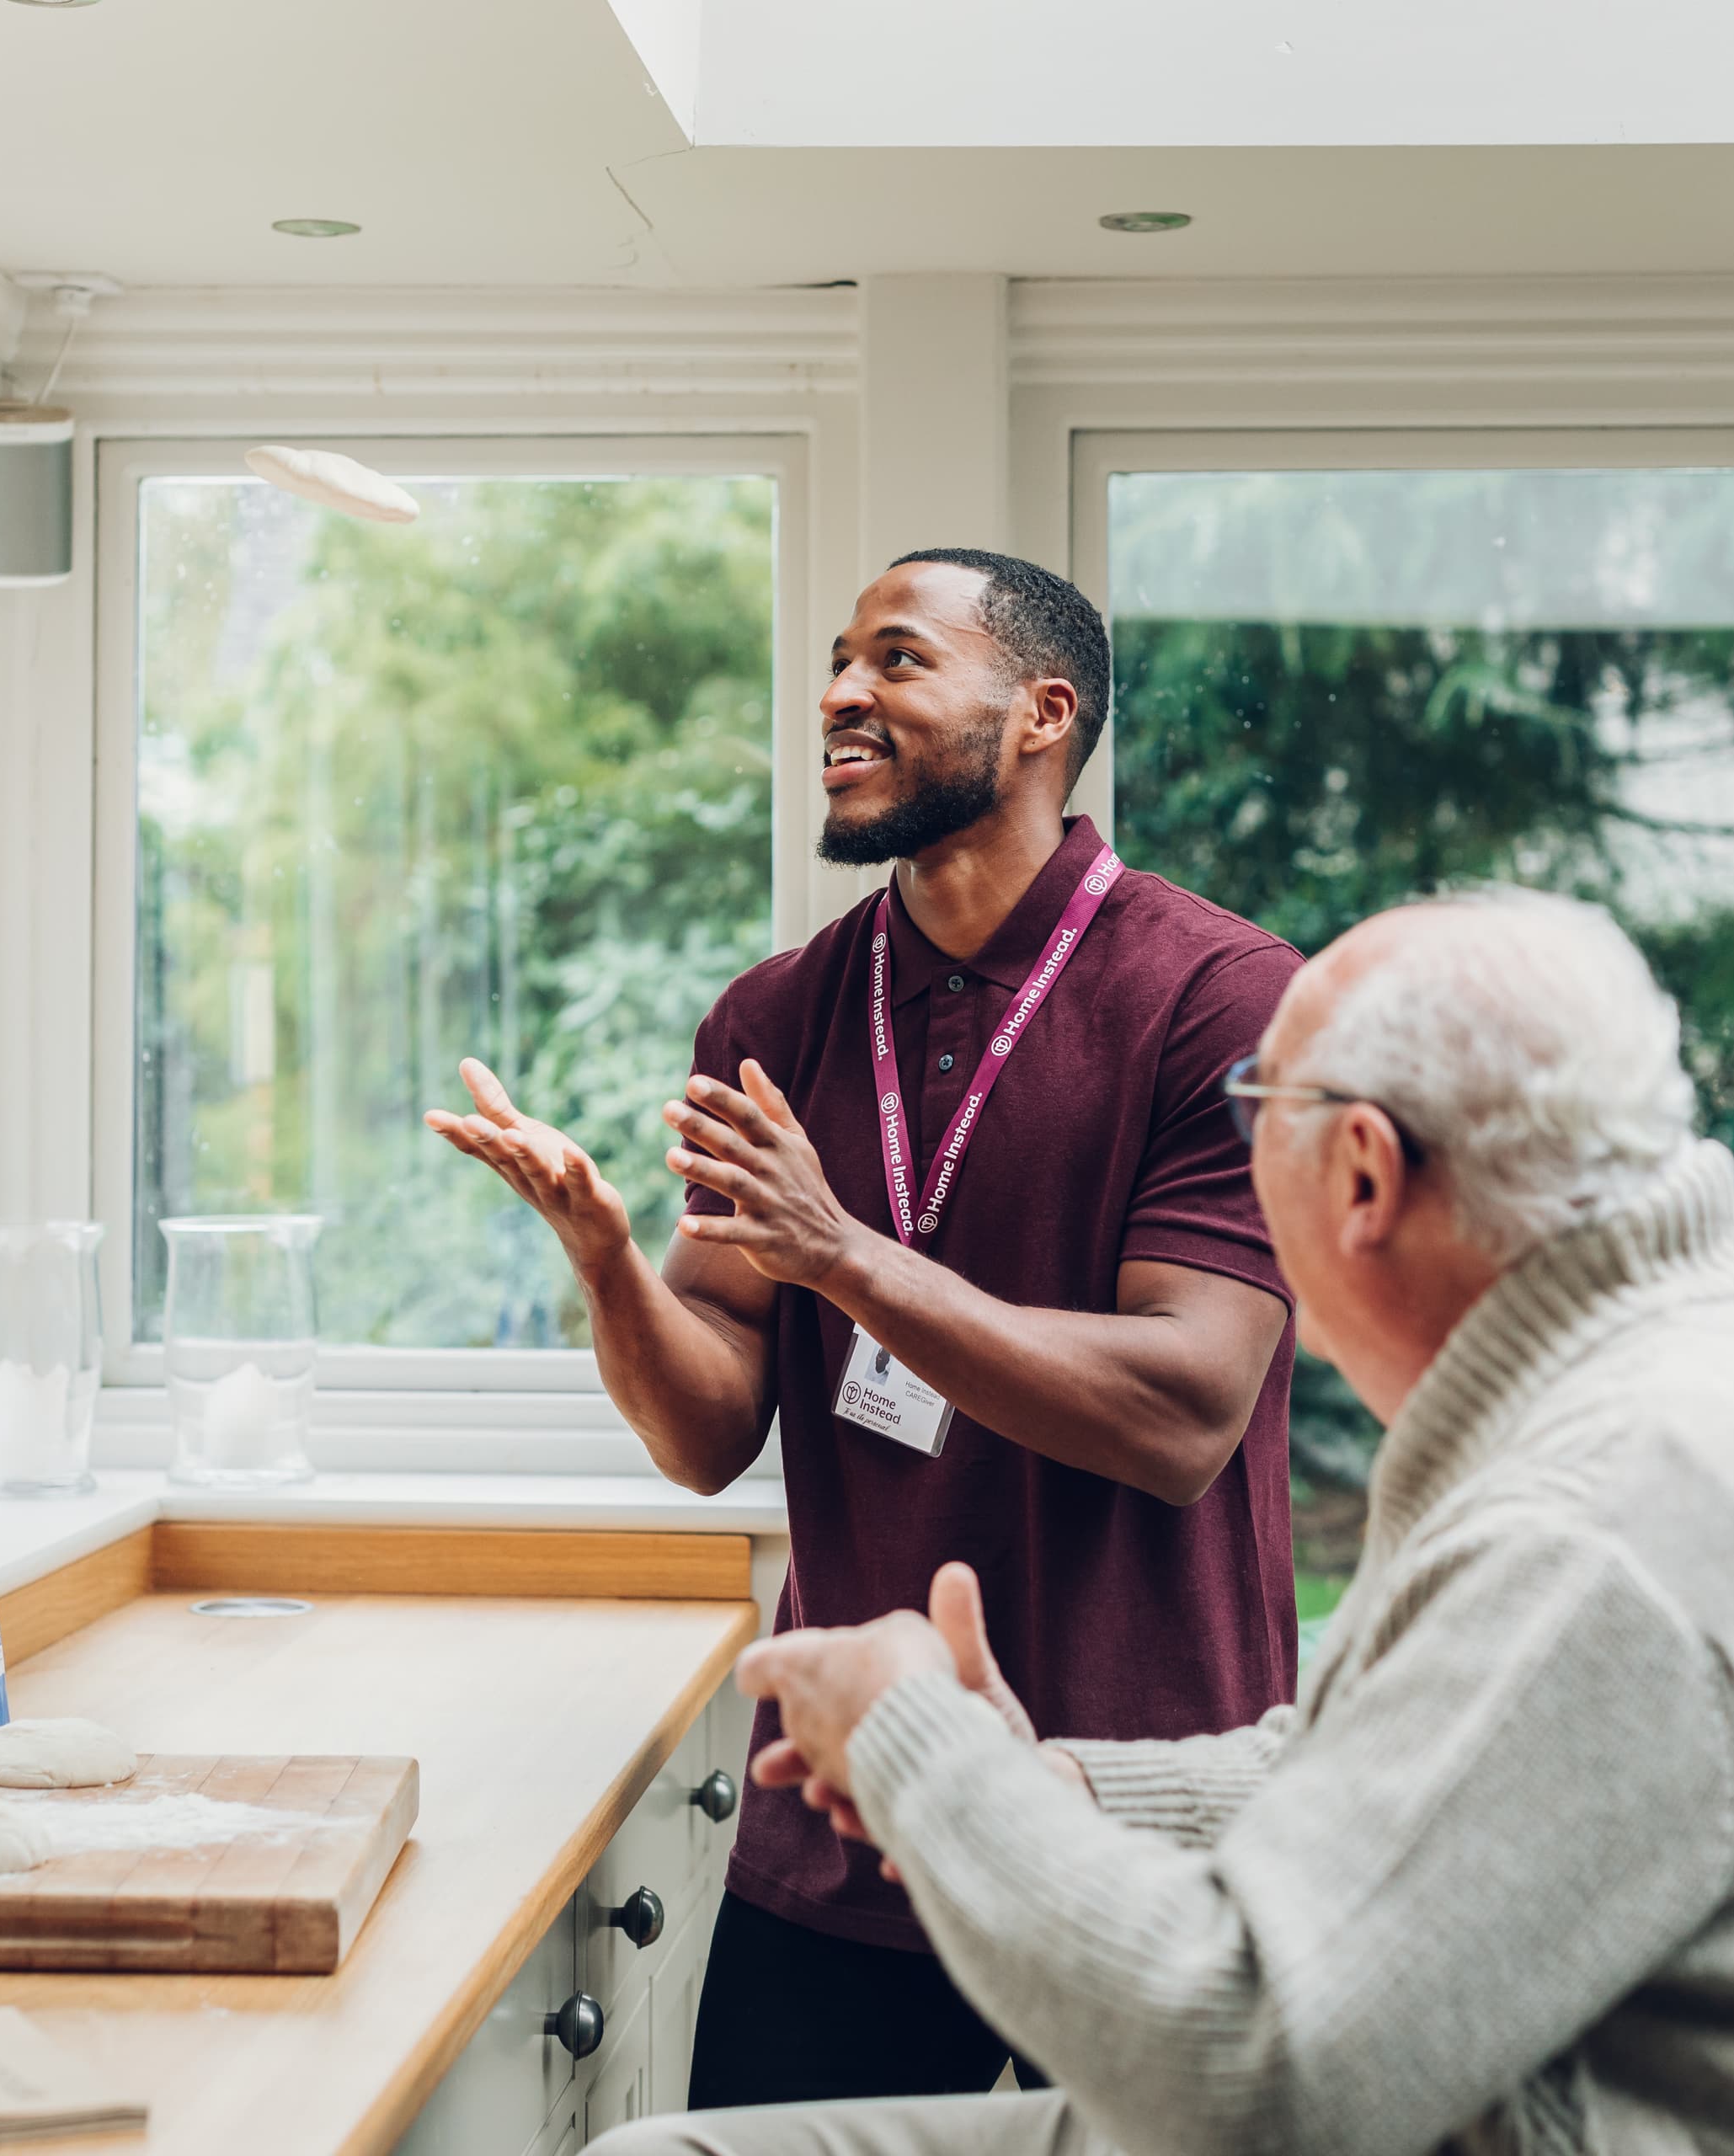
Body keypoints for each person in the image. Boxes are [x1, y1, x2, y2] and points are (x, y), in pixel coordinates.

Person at [596, 890, 1734, 2156]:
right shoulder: (1703, 1368)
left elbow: (1251, 2085)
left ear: (1359, 1174)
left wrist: (920, 1753)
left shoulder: (1605, 1519)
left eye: (1251, 1120)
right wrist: (1057, 1785)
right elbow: (1426, 1766)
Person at [426, 550, 1305, 2107]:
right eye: (838, 661)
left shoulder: (1224, 997)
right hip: (843, 1835)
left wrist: (844, 1255)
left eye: (898, 661)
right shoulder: (775, 1019)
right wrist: (613, 1266)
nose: (839, 693)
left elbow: (1184, 1416)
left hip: (1138, 1834)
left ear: (1042, 713)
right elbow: (707, 1436)